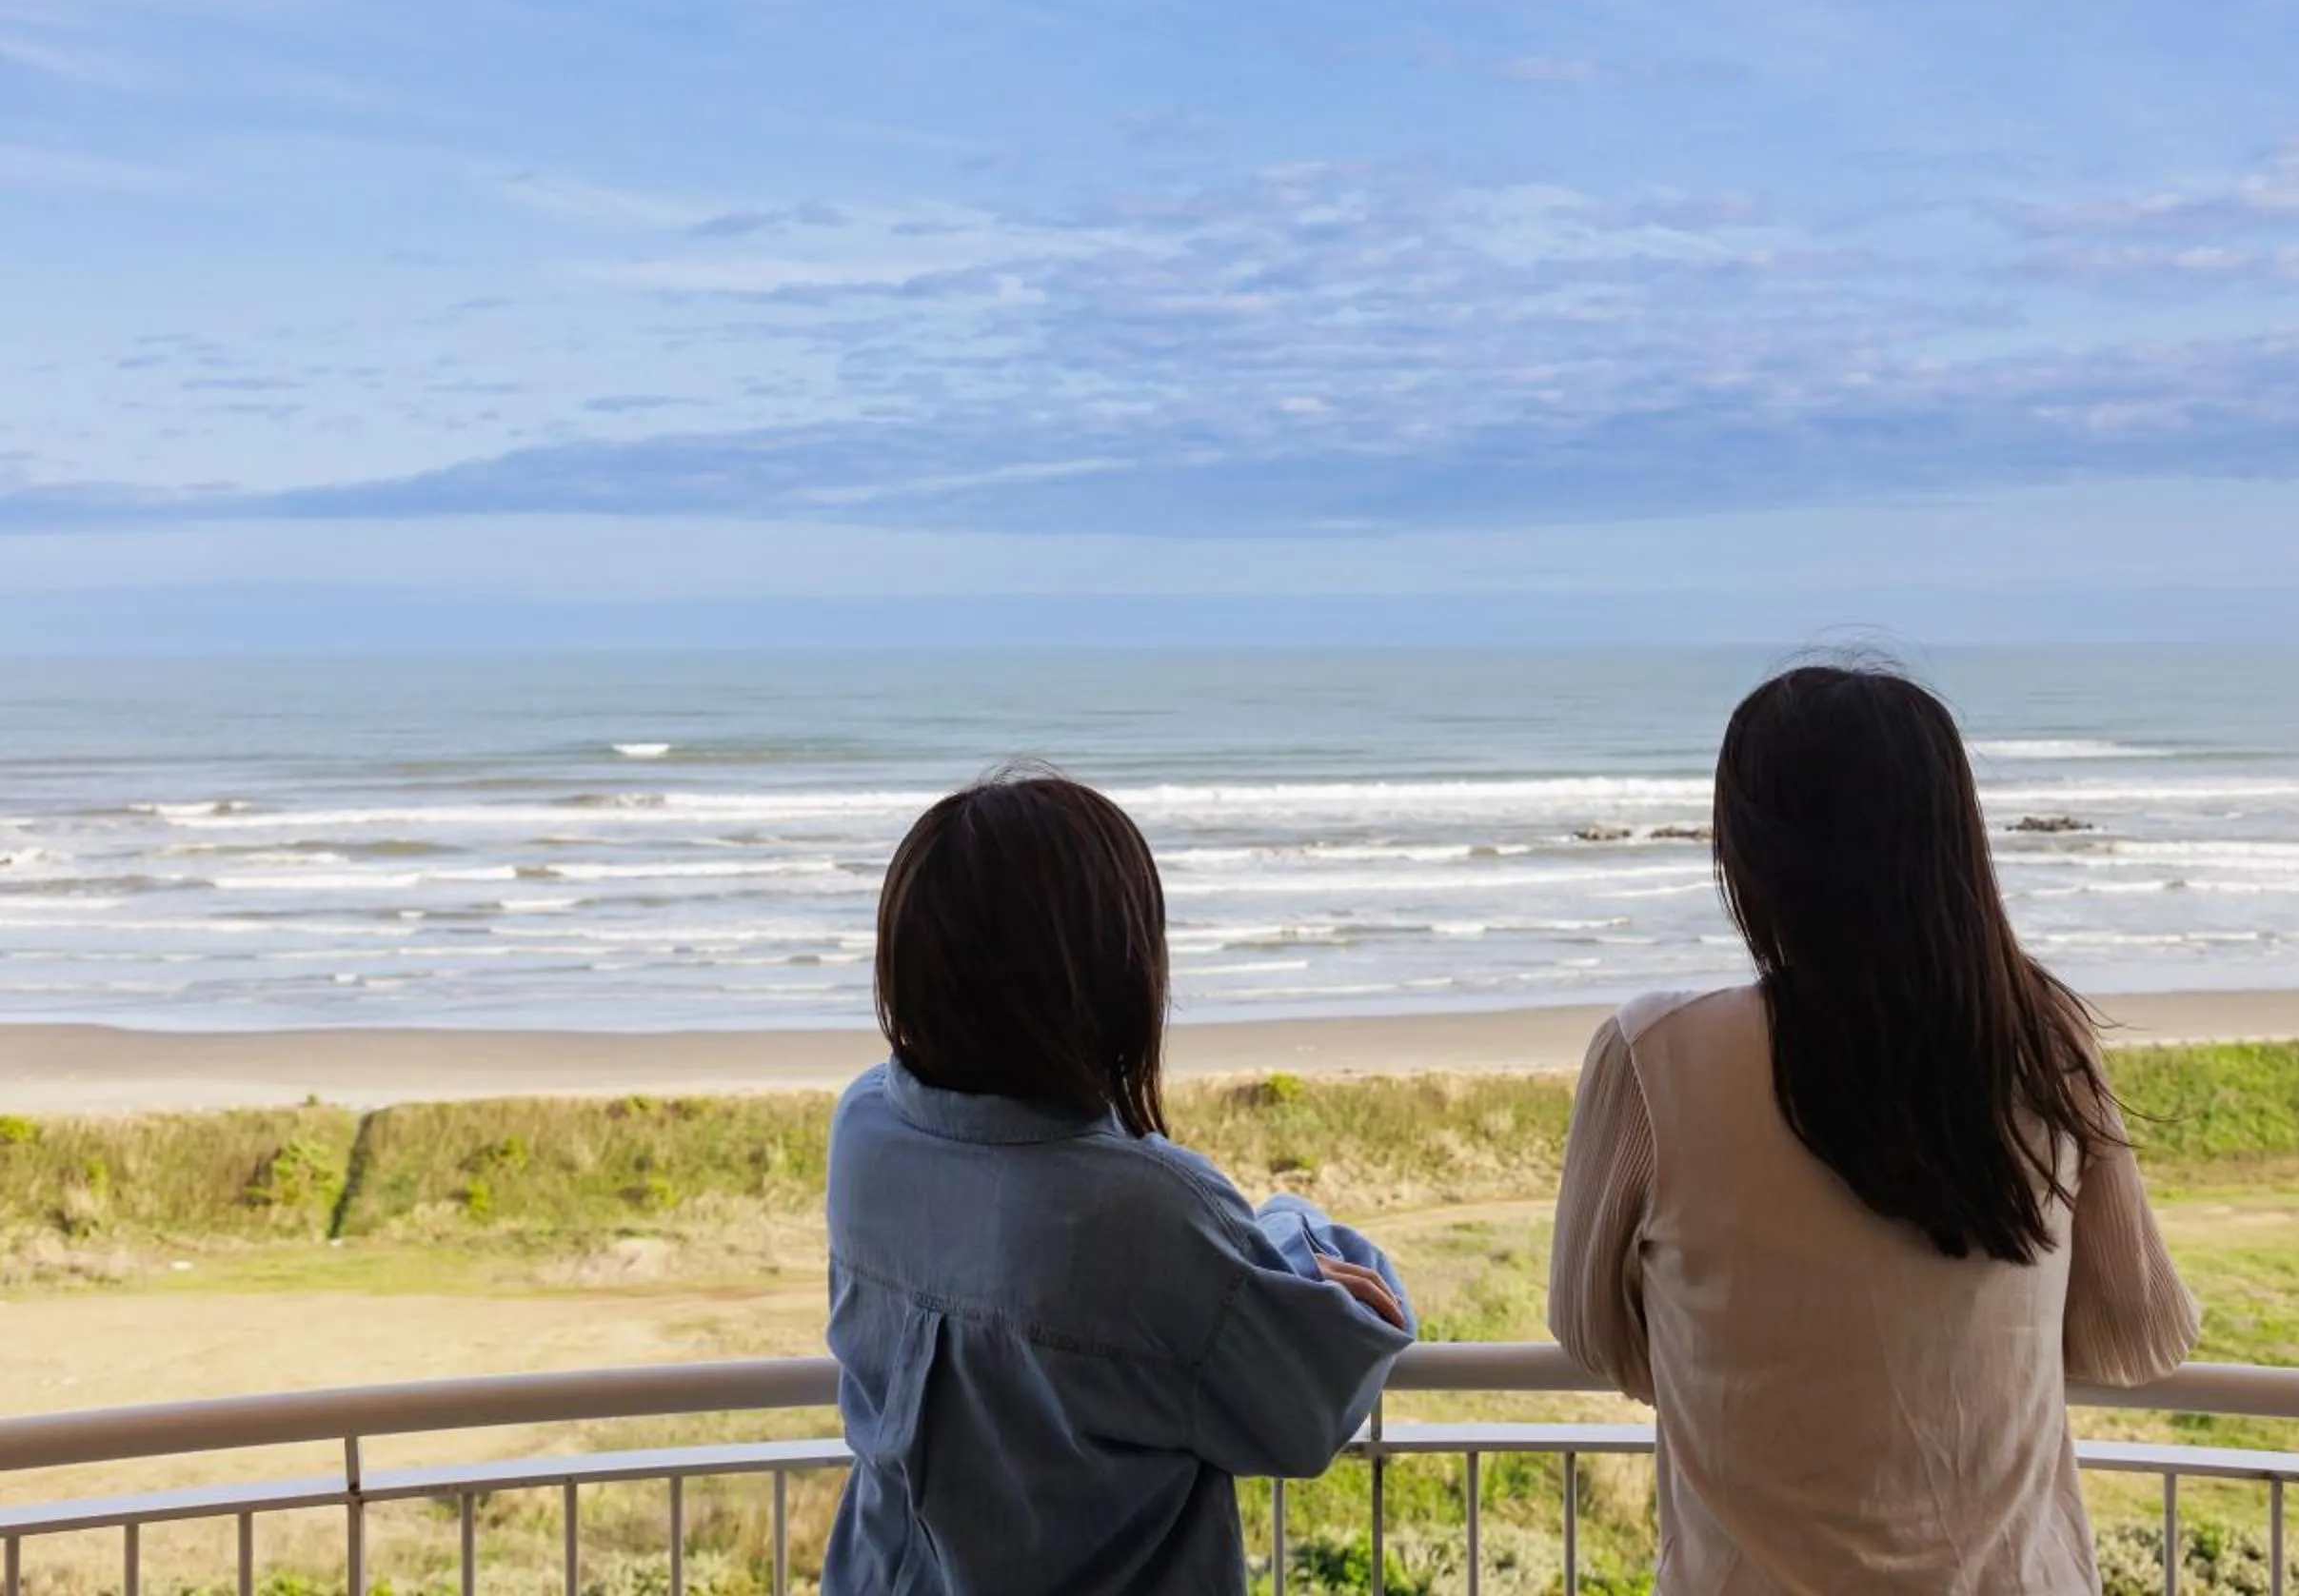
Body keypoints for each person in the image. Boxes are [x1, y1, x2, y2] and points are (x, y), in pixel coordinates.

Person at [1549, 665, 2199, 1594]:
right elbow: (2135, 1332)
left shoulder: (1656, 1056)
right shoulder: (2040, 1039)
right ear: (1952, 841)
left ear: (1749, 853)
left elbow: (1592, 1330)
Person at [822, 771, 1412, 1596]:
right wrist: (1294, 1232)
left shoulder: (866, 1130)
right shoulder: (1139, 1213)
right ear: (1104, 972)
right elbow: (1312, 1401)